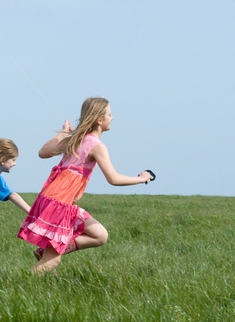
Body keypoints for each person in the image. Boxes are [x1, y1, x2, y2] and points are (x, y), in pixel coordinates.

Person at [18, 96, 154, 274]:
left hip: (53, 198)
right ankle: (18, 283)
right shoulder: (96, 146)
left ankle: (47, 252)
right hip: (60, 202)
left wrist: (63, 133)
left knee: (100, 235)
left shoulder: (75, 139)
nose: (112, 118)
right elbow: (113, 179)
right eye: (110, 114)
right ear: (99, 120)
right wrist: (141, 178)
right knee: (52, 262)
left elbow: (42, 152)